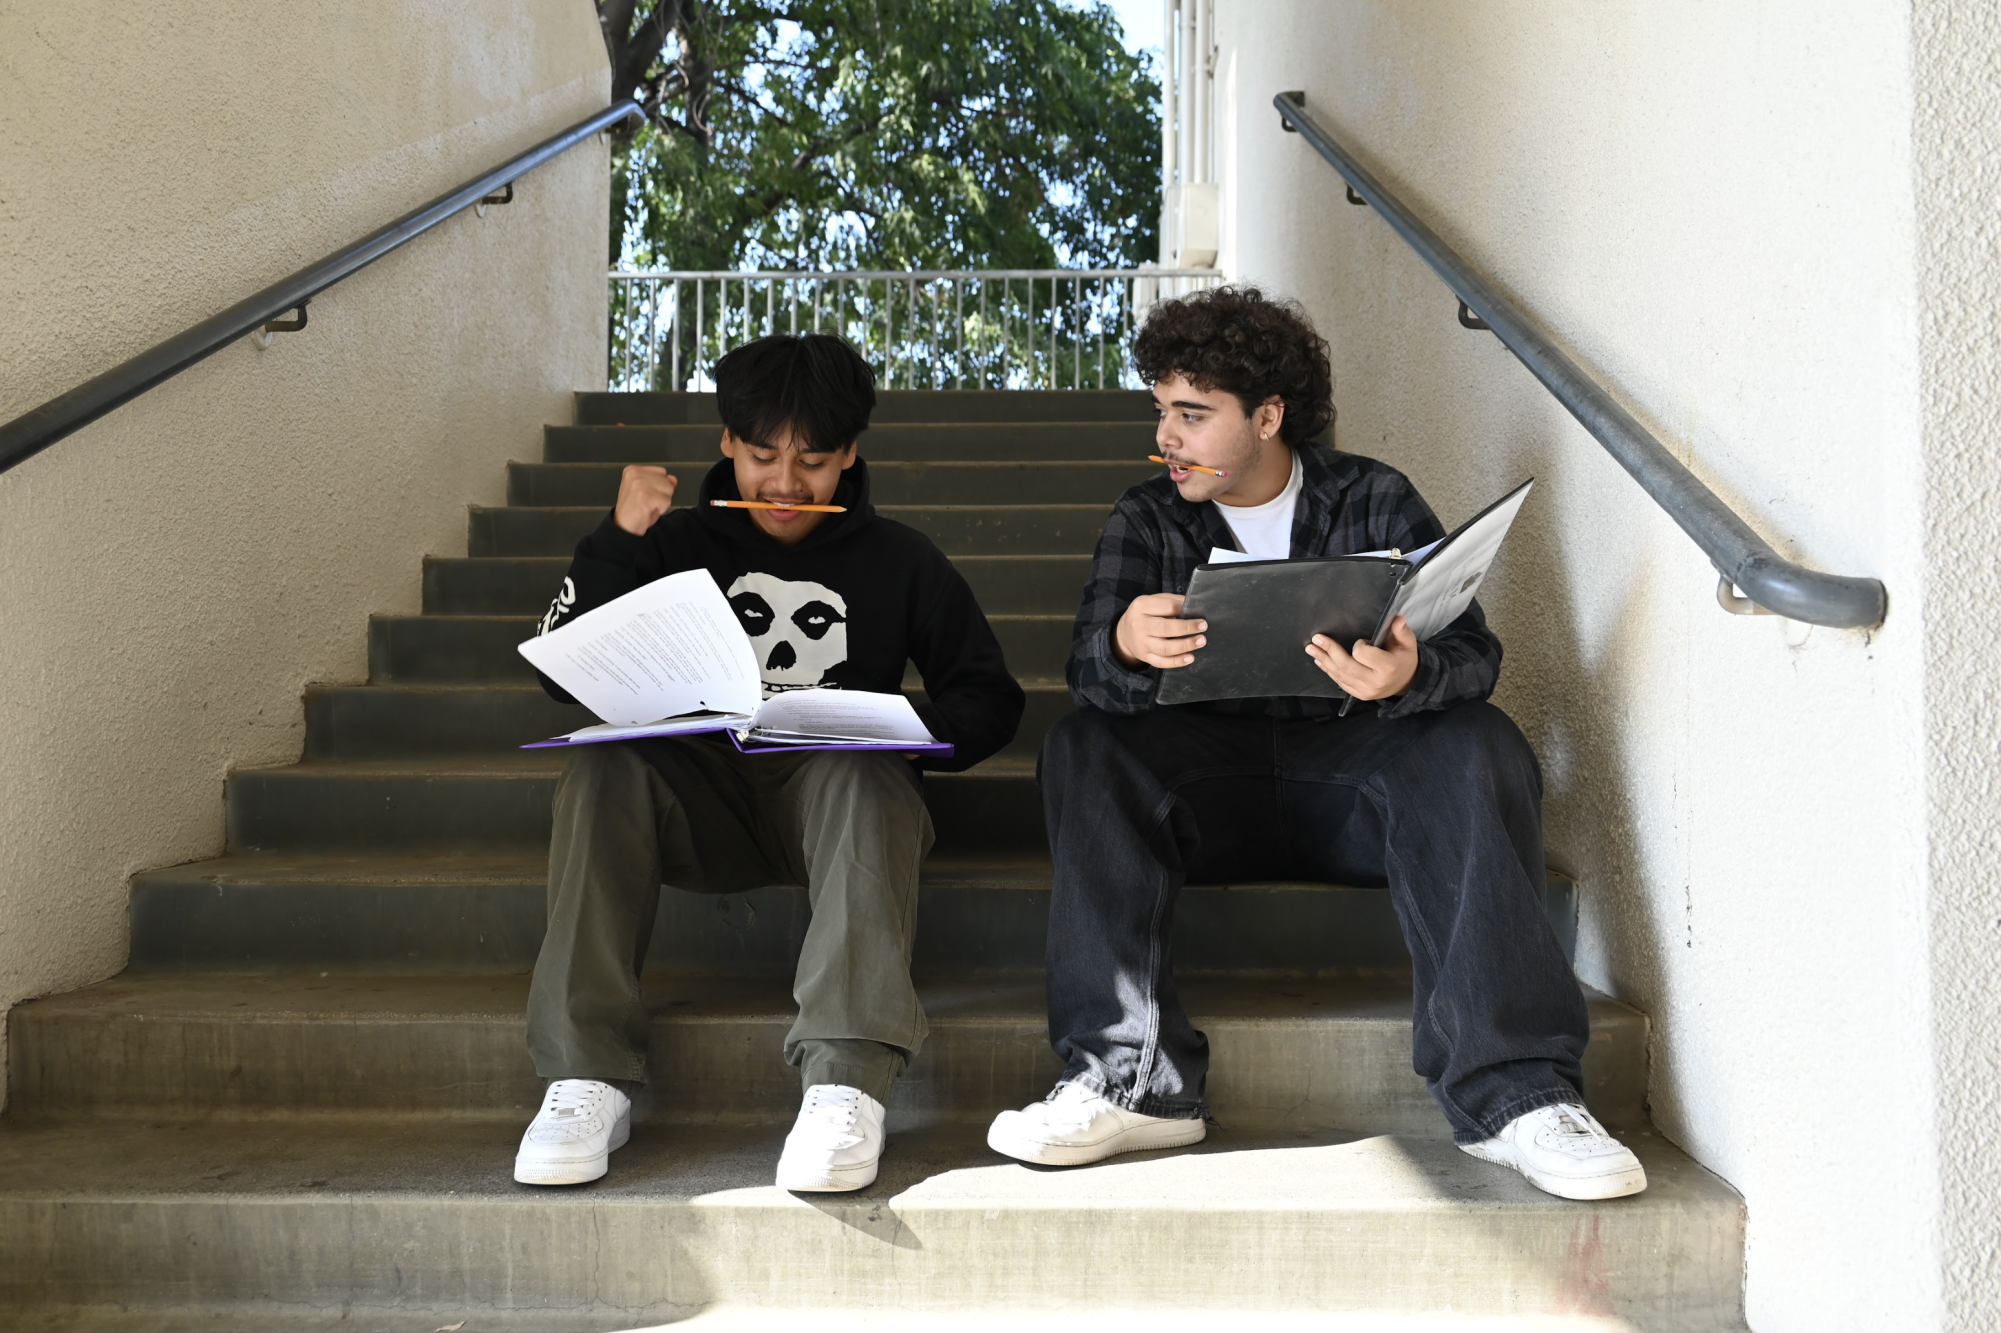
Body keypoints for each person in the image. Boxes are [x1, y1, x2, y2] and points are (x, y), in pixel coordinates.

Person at [984, 287, 1646, 1201]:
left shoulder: (1372, 496)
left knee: (1477, 740)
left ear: (1267, 414)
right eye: (1160, 411)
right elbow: (1093, 677)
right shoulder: (1144, 518)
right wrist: (1122, 646)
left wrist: (1409, 675)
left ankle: (1516, 1093)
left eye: (1191, 414)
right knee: (1083, 744)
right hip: (1206, 789)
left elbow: (1473, 652)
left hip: (1354, 781)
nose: (1165, 437)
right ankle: (1129, 1081)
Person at [515, 333, 1024, 1191]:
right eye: (761, 456)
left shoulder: (902, 562)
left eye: (814, 461)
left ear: (850, 456)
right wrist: (613, 539)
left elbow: (991, 701)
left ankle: (846, 1082)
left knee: (864, 768)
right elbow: (555, 675)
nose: (786, 483)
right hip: (697, 799)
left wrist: (887, 723)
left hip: (832, 808)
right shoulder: (668, 542)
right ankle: (584, 1072)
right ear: (726, 444)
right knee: (603, 765)